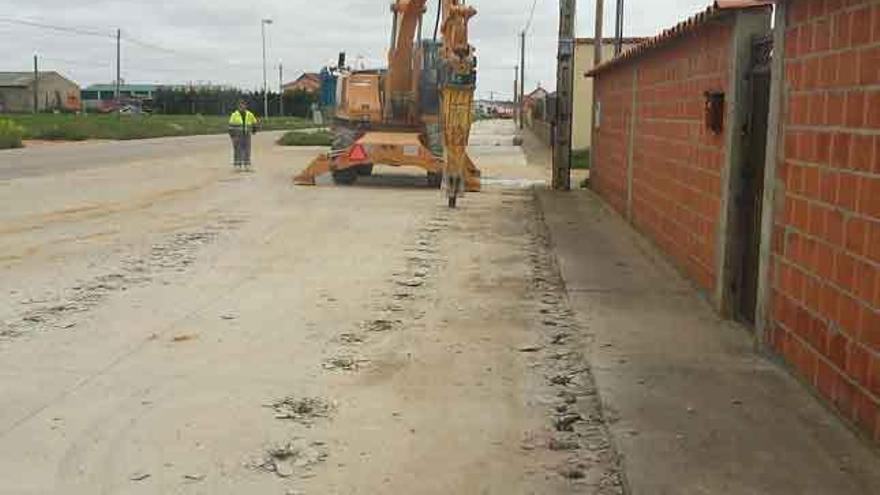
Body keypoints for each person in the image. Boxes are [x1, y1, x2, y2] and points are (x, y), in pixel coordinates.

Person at [228, 100, 259, 171]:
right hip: (237, 135)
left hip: (247, 134)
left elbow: (254, 122)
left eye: (244, 105)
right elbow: (230, 127)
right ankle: (237, 165)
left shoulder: (249, 114)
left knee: (247, 149)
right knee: (237, 150)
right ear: (238, 107)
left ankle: (247, 165)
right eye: (241, 106)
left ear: (246, 106)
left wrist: (254, 130)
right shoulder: (234, 115)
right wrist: (232, 136)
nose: (242, 107)